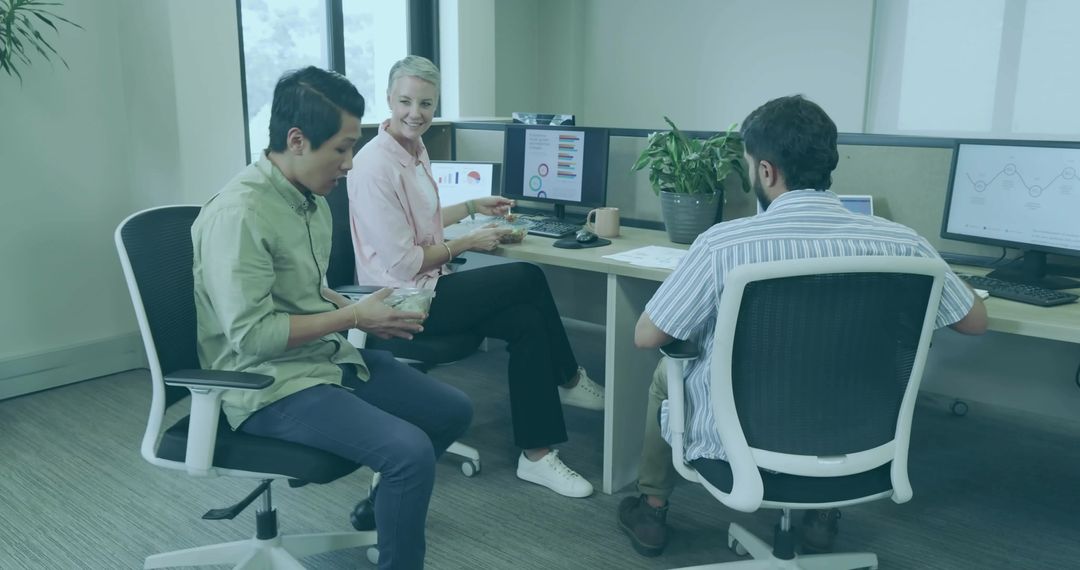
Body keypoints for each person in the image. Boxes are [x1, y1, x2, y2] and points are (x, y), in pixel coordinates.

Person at [617, 95, 989, 557]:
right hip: (861, 444)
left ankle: (652, 509)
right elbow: (975, 321)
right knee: (835, 365)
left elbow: (648, 335)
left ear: (766, 171)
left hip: (741, 450)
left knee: (666, 373)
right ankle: (821, 515)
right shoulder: (904, 243)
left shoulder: (724, 245)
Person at [191, 66, 473, 570]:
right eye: (341, 149)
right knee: (408, 452)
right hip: (264, 384)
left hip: (321, 360)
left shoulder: (308, 199)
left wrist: (358, 312)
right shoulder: (239, 215)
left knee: (451, 411)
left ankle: (386, 508)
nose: (349, 163)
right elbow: (252, 338)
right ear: (297, 141)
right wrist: (354, 318)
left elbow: (307, 291)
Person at [346, 55, 604, 499]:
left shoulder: (415, 149)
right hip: (399, 303)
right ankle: (568, 379)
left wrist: (470, 207)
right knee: (526, 276)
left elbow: (419, 224)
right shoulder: (374, 166)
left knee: (526, 321)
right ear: (388, 99)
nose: (416, 113)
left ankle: (537, 456)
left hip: (430, 286)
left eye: (426, 103)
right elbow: (404, 262)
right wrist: (468, 241)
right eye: (405, 101)